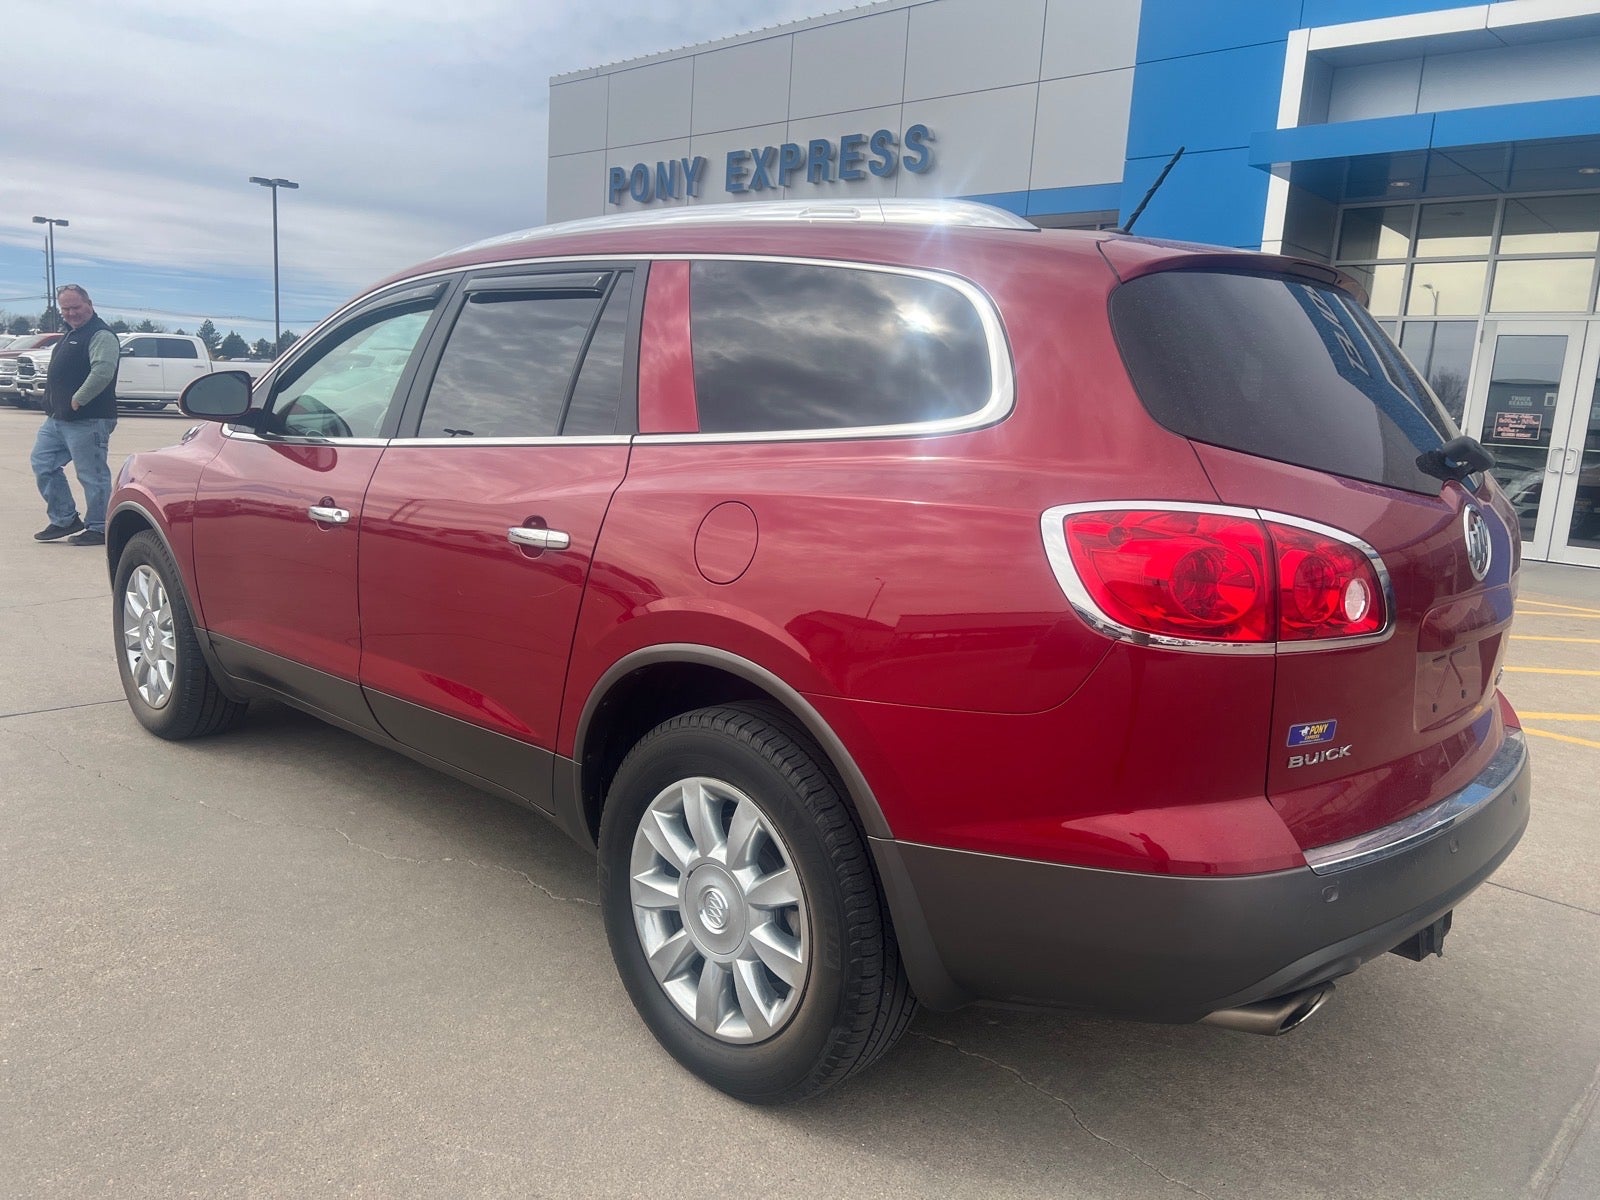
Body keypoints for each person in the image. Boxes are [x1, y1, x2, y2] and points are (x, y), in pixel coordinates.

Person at [31, 284, 120, 547]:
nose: (71, 313)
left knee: (92, 474)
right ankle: (64, 518)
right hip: (58, 419)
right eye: (66, 309)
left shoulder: (100, 335)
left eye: (76, 307)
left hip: (88, 418)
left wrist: (78, 400)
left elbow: (102, 371)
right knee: (43, 463)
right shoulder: (71, 333)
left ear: (89, 304)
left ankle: (100, 527)